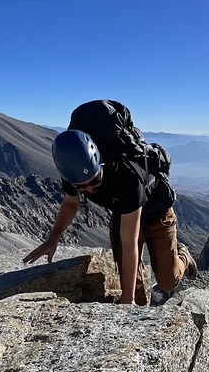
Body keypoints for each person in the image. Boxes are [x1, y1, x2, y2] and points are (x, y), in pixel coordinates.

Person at [23, 100, 197, 305]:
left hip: (157, 212)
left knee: (168, 282)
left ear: (101, 162)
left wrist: (127, 298)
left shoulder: (127, 177)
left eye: (95, 181)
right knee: (135, 293)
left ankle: (183, 254)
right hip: (122, 212)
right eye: (82, 187)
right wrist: (53, 239)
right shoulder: (72, 172)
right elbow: (71, 203)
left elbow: (129, 242)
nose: (89, 189)